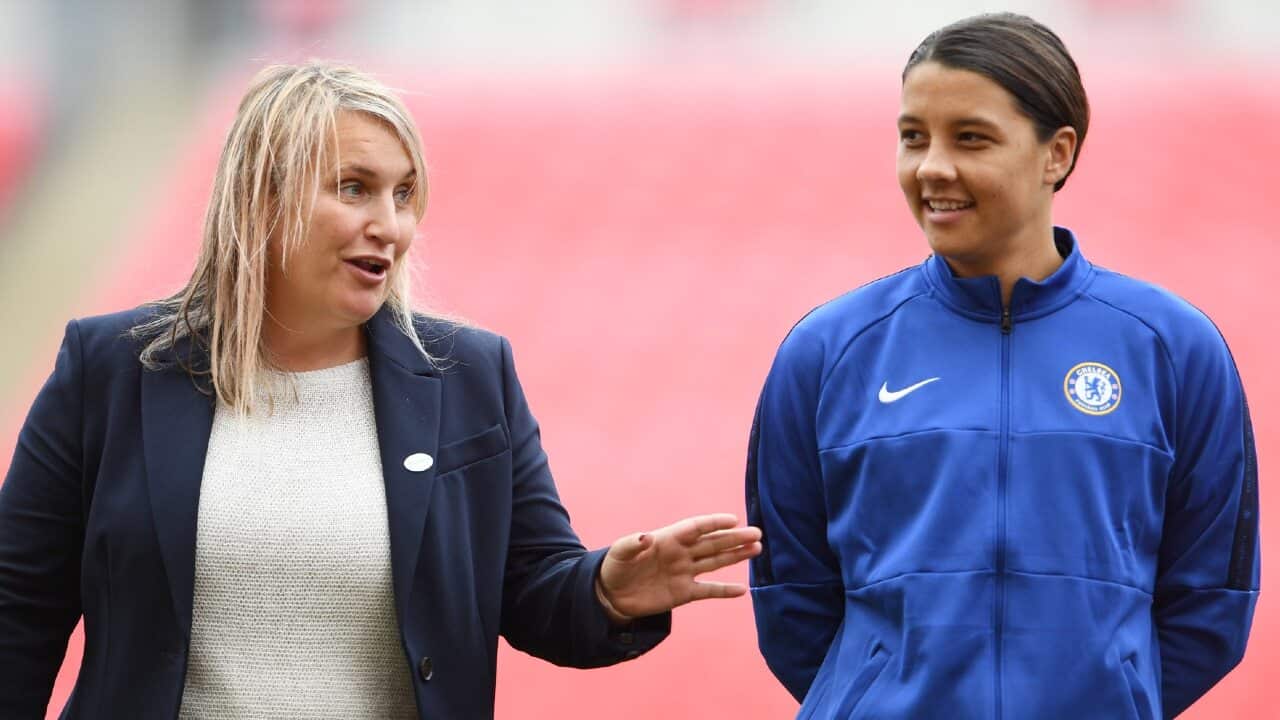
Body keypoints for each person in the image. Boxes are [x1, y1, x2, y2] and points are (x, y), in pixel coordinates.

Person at [0, 62, 762, 719]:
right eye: (355, 189)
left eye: (404, 195)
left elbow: (532, 592)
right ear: (261, 199)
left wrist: (606, 590)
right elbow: (17, 610)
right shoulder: (111, 368)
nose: (389, 225)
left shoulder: (470, 376)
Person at [746, 13, 1258, 719]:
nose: (932, 167)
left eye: (971, 138)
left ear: (1057, 153)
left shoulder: (1172, 347)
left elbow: (1212, 600)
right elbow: (789, 598)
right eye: (913, 137)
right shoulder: (828, 350)